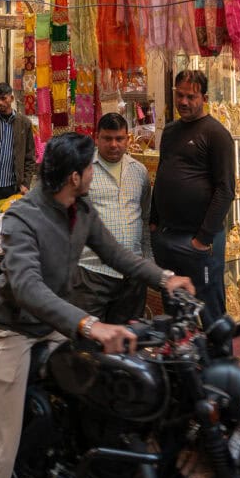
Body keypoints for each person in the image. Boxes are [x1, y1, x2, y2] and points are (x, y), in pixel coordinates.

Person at [0, 132, 192, 478]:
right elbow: (27, 288)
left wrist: (163, 278)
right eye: (88, 169)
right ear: (73, 176)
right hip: (12, 332)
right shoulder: (21, 218)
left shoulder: (79, 211)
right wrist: (87, 324)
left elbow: (117, 254)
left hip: (54, 326)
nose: (92, 174)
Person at [151, 69, 235, 328]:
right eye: (180, 95)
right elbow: (163, 172)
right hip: (167, 237)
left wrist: (203, 239)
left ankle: (219, 365)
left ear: (204, 98)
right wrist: (154, 222)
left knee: (210, 312)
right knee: (174, 311)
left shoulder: (216, 134)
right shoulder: (170, 131)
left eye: (191, 96)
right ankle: (183, 367)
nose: (184, 102)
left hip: (197, 242)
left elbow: (226, 189)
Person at [70, 113, 152, 322]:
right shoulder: (82, 171)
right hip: (91, 273)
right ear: (96, 138)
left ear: (128, 139)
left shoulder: (139, 172)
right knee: (89, 343)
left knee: (128, 341)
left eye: (119, 138)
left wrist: (147, 261)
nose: (114, 144)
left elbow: (144, 219)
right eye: (107, 138)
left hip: (132, 274)